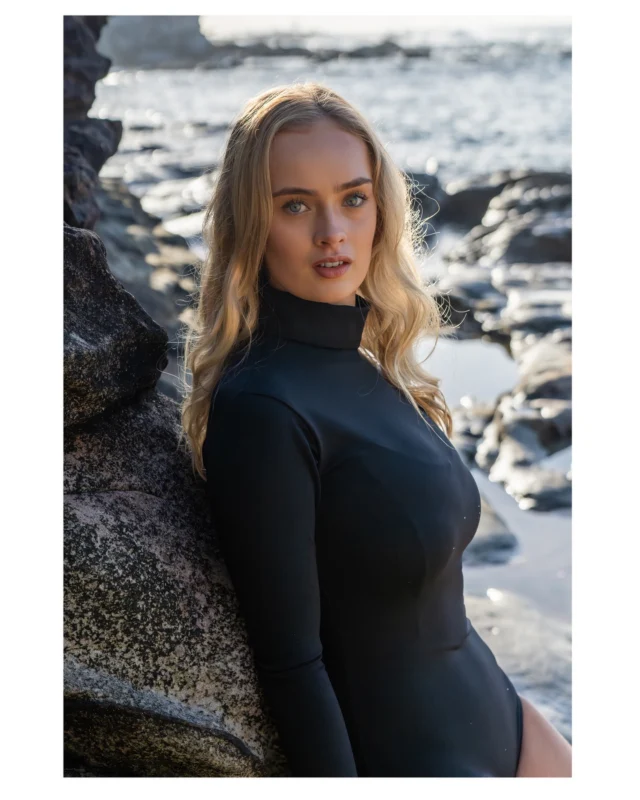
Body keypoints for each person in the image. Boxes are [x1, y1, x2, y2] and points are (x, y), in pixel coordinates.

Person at [179, 81, 572, 778]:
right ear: (250, 222)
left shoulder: (370, 364)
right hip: (420, 761)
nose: (333, 233)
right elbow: (293, 665)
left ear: (381, 209)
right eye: (296, 205)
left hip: (504, 721)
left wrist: (528, 731)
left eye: (353, 199)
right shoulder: (263, 411)